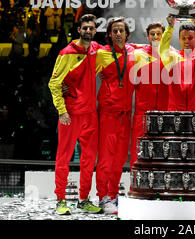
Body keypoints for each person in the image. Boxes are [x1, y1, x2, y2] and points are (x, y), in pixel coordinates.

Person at [48, 13, 102, 215]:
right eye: (85, 28)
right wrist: (62, 111)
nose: (88, 31)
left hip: (90, 115)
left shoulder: (97, 50)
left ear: (95, 31)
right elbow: (54, 83)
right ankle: (60, 200)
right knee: (63, 158)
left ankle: (83, 199)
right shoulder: (66, 53)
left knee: (89, 160)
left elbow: (114, 57)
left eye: (92, 28)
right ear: (79, 30)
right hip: (70, 115)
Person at [95, 17, 136, 214]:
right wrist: (66, 85)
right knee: (105, 158)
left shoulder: (133, 52)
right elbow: (82, 69)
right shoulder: (101, 53)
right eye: (114, 31)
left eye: (121, 30)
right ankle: (103, 196)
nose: (118, 33)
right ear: (109, 34)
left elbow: (155, 46)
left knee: (120, 159)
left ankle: (113, 195)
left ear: (127, 34)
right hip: (109, 114)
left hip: (126, 114)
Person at [130, 22, 168, 169]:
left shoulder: (171, 54)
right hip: (142, 112)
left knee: (162, 151)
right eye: (152, 34)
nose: (156, 37)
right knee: (138, 150)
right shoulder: (138, 54)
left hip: (164, 113)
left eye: (159, 34)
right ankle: (136, 185)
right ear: (147, 36)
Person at [159, 14, 195, 111]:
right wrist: (170, 27)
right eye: (183, 38)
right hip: (175, 110)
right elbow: (162, 48)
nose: (186, 41)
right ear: (179, 39)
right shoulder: (173, 56)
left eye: (190, 38)